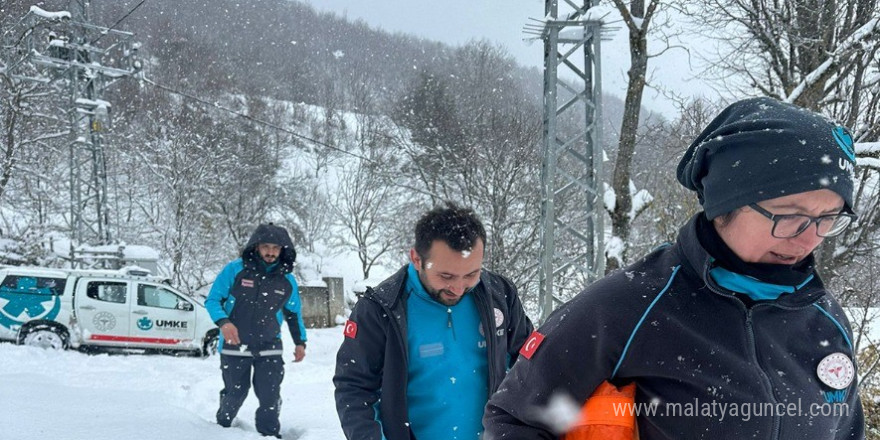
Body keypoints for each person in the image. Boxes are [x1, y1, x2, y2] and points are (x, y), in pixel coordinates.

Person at [483, 97, 865, 439]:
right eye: (790, 216)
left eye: (827, 218)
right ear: (725, 205)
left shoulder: (823, 319)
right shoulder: (628, 306)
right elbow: (516, 419)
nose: (808, 239)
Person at [334, 203, 534, 440]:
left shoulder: (500, 295)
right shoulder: (380, 308)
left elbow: (530, 367)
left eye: (471, 274)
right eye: (446, 276)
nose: (459, 288)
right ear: (416, 259)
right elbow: (355, 388)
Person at [205, 223, 307, 438]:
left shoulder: (286, 280)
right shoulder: (235, 270)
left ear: (283, 250)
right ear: (256, 247)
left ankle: (269, 434)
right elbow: (213, 300)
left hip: (269, 344)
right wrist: (224, 322)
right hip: (235, 344)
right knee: (236, 392)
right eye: (266, 246)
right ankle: (220, 429)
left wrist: (300, 342)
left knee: (270, 395)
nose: (271, 252)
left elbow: (293, 313)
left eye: (276, 248)